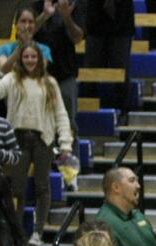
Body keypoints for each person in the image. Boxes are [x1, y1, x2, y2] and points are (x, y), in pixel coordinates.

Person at [0, 41, 74, 243]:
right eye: (26, 56)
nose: (30, 60)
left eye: (33, 56)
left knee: (42, 186)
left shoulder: (50, 83)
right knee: (17, 189)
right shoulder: (12, 78)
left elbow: (60, 114)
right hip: (17, 139)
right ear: (20, 58)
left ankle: (38, 232)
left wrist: (65, 143)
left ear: (40, 59)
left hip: (42, 139)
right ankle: (17, 233)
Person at [34, 0, 87, 142]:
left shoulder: (72, 5)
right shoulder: (35, 5)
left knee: (69, 126)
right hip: (37, 77)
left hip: (65, 75)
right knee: (39, 126)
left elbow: (78, 38)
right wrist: (44, 15)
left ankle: (71, 163)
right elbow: (24, 33)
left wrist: (66, 16)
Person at [95, 167, 156, 246]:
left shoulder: (138, 216)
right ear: (116, 187)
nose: (138, 186)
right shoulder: (103, 223)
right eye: (132, 180)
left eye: (137, 181)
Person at [0, 6, 54, 70]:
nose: (27, 26)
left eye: (31, 22)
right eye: (23, 21)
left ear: (35, 26)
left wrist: (27, 44)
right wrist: (21, 47)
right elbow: (3, 70)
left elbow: (39, 70)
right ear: (16, 25)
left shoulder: (44, 49)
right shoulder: (4, 48)